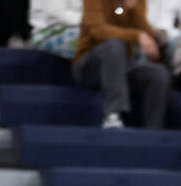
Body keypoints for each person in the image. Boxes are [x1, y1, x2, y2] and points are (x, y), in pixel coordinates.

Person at [73, 0, 170, 129]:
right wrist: (137, 36)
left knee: (158, 74)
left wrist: (133, 9)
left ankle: (154, 132)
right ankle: (113, 116)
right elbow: (99, 31)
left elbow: (143, 29)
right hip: (89, 66)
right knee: (114, 45)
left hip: (123, 67)